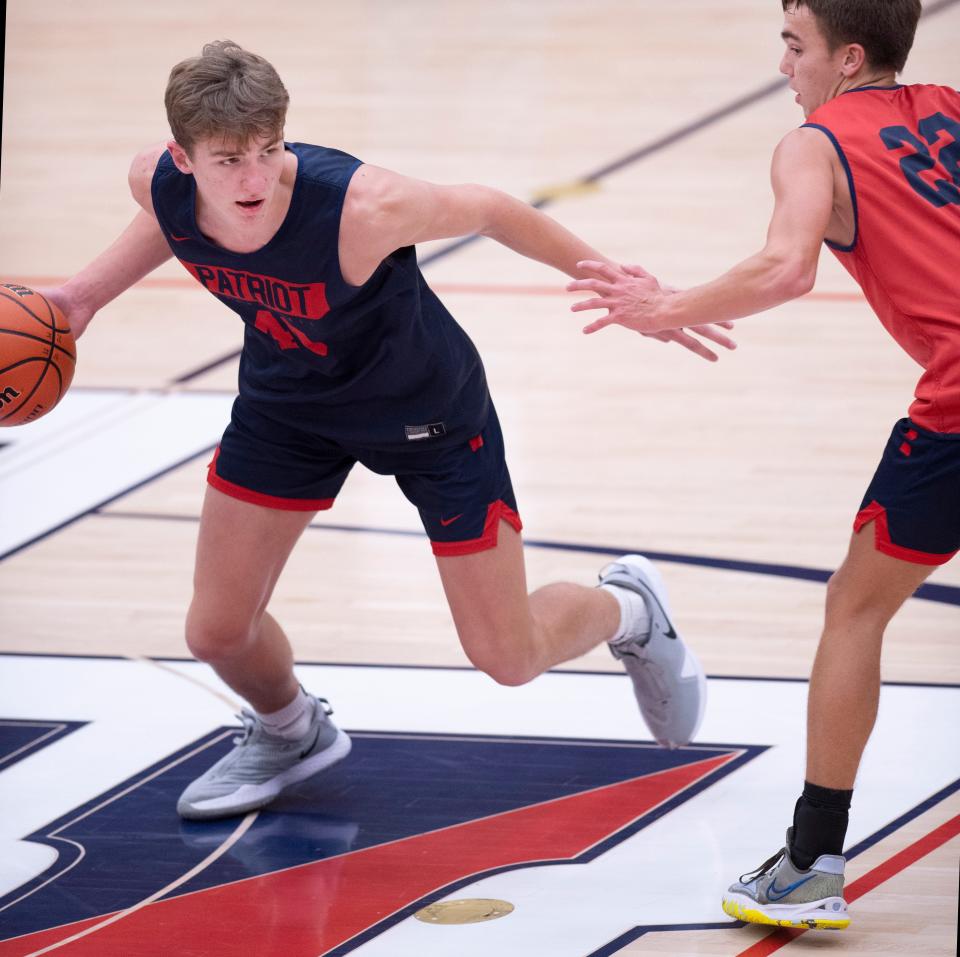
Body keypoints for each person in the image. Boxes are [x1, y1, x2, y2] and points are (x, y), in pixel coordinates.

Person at [45, 41, 736, 821]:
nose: (253, 177)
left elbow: (492, 208)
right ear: (183, 157)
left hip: (427, 413)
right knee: (216, 631)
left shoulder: (364, 207)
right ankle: (292, 730)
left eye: (268, 151)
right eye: (228, 158)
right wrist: (82, 296)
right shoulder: (156, 179)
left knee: (507, 657)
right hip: (289, 405)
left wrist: (628, 290)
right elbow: (167, 218)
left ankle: (629, 607)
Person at [568, 0, 958, 932]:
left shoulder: (812, 143)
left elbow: (787, 267)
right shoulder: (948, 102)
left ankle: (812, 858)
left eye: (796, 46)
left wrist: (665, 308)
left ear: (849, 57)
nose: (784, 66)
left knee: (855, 609)